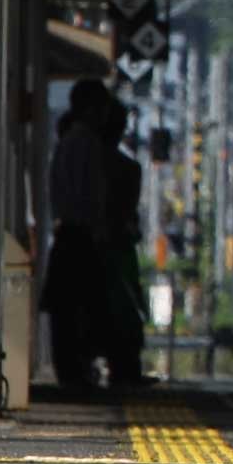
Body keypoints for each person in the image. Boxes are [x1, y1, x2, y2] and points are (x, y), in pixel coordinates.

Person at [39, 79, 114, 392]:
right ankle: (77, 370)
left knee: (66, 308)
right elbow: (91, 195)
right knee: (81, 306)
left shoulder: (67, 141)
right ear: (92, 108)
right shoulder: (87, 143)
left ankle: (70, 369)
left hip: (66, 233)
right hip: (80, 235)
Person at [101, 102, 150, 387]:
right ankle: (125, 366)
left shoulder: (96, 160)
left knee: (113, 307)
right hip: (117, 244)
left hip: (100, 242)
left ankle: (113, 365)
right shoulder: (129, 169)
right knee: (126, 307)